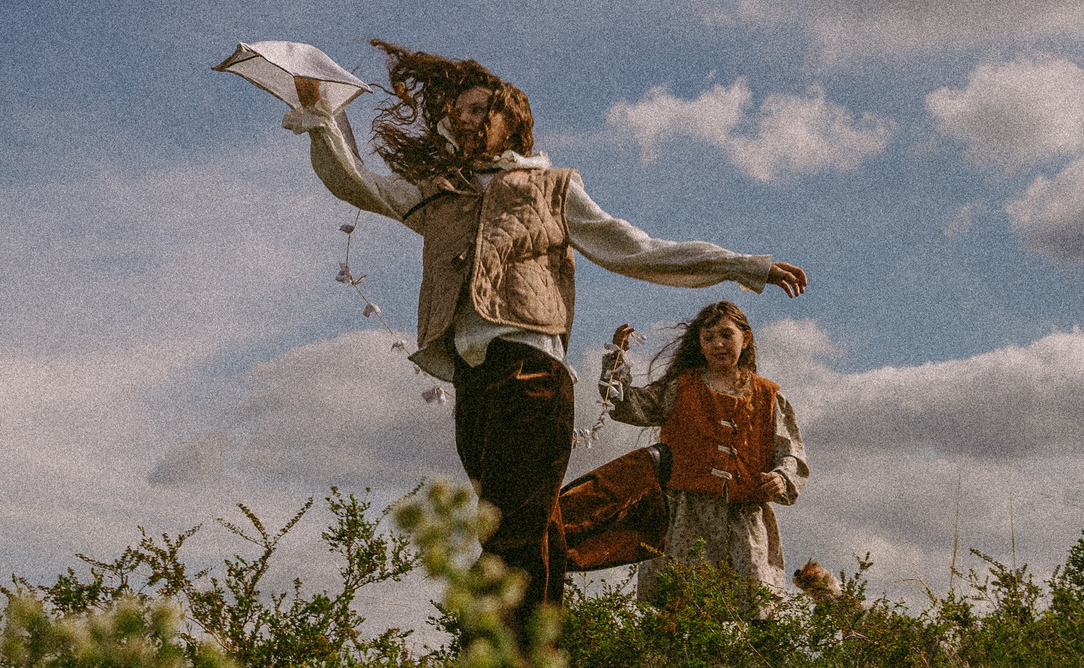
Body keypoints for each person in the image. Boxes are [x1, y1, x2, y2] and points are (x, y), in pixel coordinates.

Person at [282, 41, 807, 626]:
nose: (467, 118)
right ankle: (605, 556)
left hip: (532, 371)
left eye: (482, 108)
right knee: (515, 524)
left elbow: (636, 250)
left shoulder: (553, 189)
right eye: (460, 110)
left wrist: (739, 264)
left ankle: (514, 665)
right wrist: (319, 113)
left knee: (512, 529)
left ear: (514, 120)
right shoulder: (441, 195)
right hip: (474, 379)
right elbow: (356, 183)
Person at [598, 301, 808, 605]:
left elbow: (790, 452)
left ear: (745, 338)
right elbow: (627, 405)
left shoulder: (769, 395)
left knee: (754, 607)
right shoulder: (679, 387)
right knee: (681, 607)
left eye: (726, 334)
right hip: (685, 514)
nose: (717, 344)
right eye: (708, 337)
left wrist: (781, 478)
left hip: (745, 516)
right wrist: (616, 359)